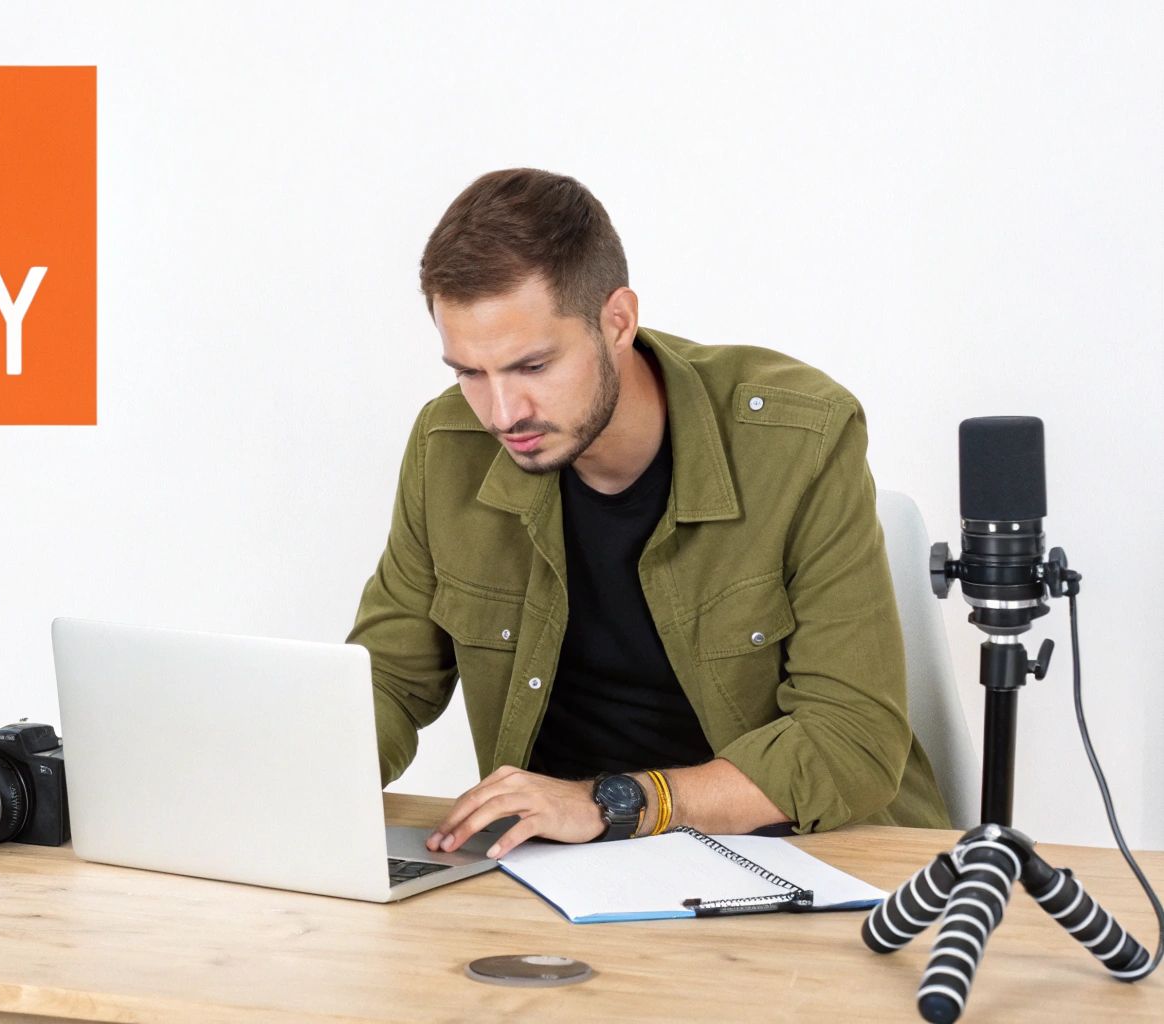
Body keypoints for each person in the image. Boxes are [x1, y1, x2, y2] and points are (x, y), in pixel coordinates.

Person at [346, 168, 950, 861]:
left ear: (618, 321)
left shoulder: (798, 441)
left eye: (533, 367)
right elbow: (388, 681)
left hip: (794, 857)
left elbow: (850, 740)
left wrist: (615, 804)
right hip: (553, 868)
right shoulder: (446, 446)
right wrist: (292, 778)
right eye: (469, 373)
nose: (502, 413)